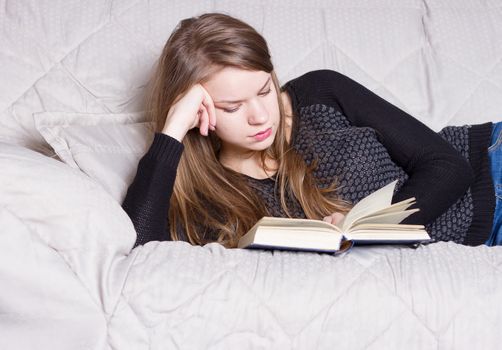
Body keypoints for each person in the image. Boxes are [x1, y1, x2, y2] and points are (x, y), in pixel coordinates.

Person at [122, 13, 501, 249]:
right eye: (232, 107)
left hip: (490, 162)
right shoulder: (207, 197)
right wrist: (172, 130)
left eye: (264, 90)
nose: (259, 117)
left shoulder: (320, 91)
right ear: (200, 111)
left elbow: (449, 166)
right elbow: (142, 249)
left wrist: (372, 231)